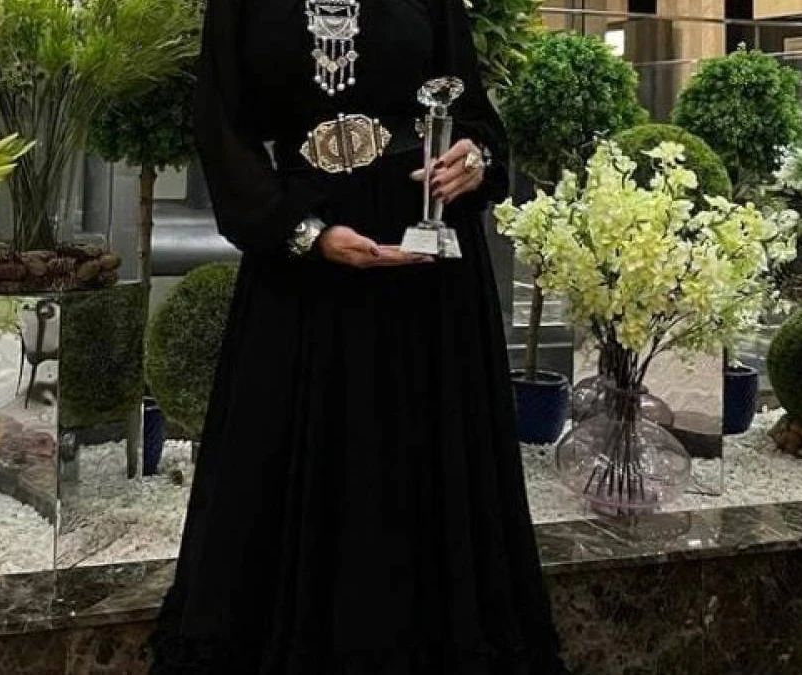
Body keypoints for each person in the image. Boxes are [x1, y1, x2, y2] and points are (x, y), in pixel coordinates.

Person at [148, 0, 567, 671]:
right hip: (301, 270)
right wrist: (303, 232)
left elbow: (475, 117)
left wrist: (473, 157)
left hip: (427, 269)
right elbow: (220, 127)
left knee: (427, 471)